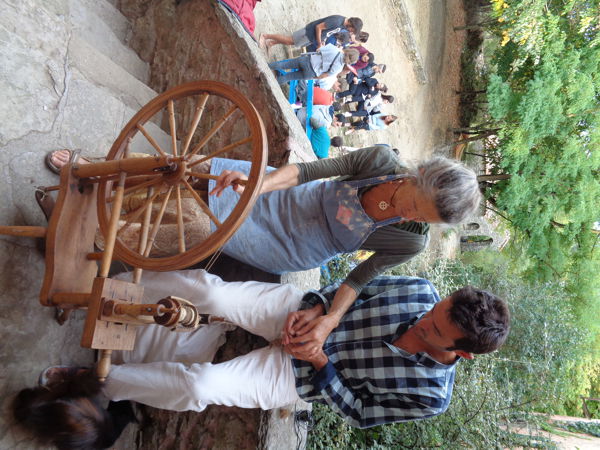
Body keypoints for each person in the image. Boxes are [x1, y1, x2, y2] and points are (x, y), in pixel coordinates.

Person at [46, 147, 481, 356]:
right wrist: (257, 186)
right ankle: (101, 173)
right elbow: (310, 171)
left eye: (424, 218)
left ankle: (99, 235)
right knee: (195, 167)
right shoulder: (382, 162)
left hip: (292, 245)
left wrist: (330, 318)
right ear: (419, 173)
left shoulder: (410, 238)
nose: (409, 213)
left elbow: (357, 278)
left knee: (201, 225)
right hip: (288, 196)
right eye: (413, 202)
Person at [15, 270, 510, 434]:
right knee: (210, 294)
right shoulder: (421, 292)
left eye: (432, 332)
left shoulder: (431, 397)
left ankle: (96, 382)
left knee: (200, 386)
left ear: (459, 354)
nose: (423, 321)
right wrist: (317, 308)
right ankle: (113, 293)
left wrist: (319, 360)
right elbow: (353, 285)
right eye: (433, 312)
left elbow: (360, 412)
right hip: (301, 312)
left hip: (302, 375)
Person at [260, 16, 363, 51]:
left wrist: (322, 41)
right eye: (352, 30)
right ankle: (265, 36)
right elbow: (319, 27)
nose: (350, 32)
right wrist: (319, 42)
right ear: (351, 24)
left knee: (291, 43)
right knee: (289, 40)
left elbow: (327, 32)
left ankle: (271, 43)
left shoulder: (342, 26)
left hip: (312, 38)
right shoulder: (337, 21)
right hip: (309, 33)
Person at [269, 45, 359, 84]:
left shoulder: (335, 49)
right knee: (289, 77)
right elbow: (323, 76)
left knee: (284, 64)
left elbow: (318, 50)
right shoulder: (339, 69)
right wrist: (313, 78)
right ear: (350, 62)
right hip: (312, 73)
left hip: (308, 60)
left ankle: (266, 67)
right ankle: (271, 83)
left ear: (349, 50)